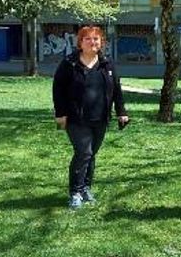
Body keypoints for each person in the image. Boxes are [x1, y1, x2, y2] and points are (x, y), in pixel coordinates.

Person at [52, 25, 129, 210]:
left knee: (91, 154)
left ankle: (86, 188)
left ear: (101, 42)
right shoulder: (69, 63)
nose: (92, 42)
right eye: (88, 39)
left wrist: (121, 112)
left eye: (96, 39)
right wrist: (60, 114)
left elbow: (116, 90)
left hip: (100, 118)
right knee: (83, 153)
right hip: (76, 118)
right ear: (80, 42)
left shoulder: (107, 64)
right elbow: (58, 89)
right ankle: (75, 193)